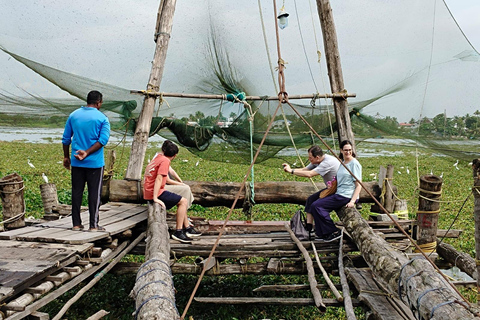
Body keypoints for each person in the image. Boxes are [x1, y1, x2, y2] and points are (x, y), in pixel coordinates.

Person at [62, 90, 110, 232]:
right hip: (95, 163)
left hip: (76, 162)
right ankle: (93, 226)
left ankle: (76, 224)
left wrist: (66, 156)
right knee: (94, 193)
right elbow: (102, 140)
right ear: (99, 102)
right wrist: (87, 152)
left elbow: (66, 139)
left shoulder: (74, 115)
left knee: (77, 192)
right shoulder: (102, 119)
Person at [143, 140, 201, 243]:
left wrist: (180, 183)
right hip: (155, 191)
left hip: (150, 190)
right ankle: (178, 231)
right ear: (174, 155)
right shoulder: (165, 161)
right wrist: (156, 198)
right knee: (183, 201)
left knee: (183, 197)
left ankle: (187, 227)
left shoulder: (158, 157)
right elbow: (159, 179)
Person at [310, 140, 362, 242]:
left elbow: (358, 185)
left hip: (346, 195)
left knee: (317, 206)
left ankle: (332, 231)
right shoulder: (342, 162)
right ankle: (322, 234)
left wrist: (352, 201)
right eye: (345, 150)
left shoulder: (354, 164)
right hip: (339, 193)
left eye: (350, 150)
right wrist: (332, 185)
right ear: (341, 150)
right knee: (313, 204)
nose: (348, 152)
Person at [282, 145, 340, 233]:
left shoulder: (327, 162)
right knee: (310, 200)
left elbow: (310, 174)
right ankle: (309, 228)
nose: (309, 160)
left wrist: (292, 171)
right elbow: (306, 169)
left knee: (316, 206)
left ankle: (330, 231)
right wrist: (291, 169)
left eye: (310, 158)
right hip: (330, 189)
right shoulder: (317, 161)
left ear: (317, 157)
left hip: (338, 191)